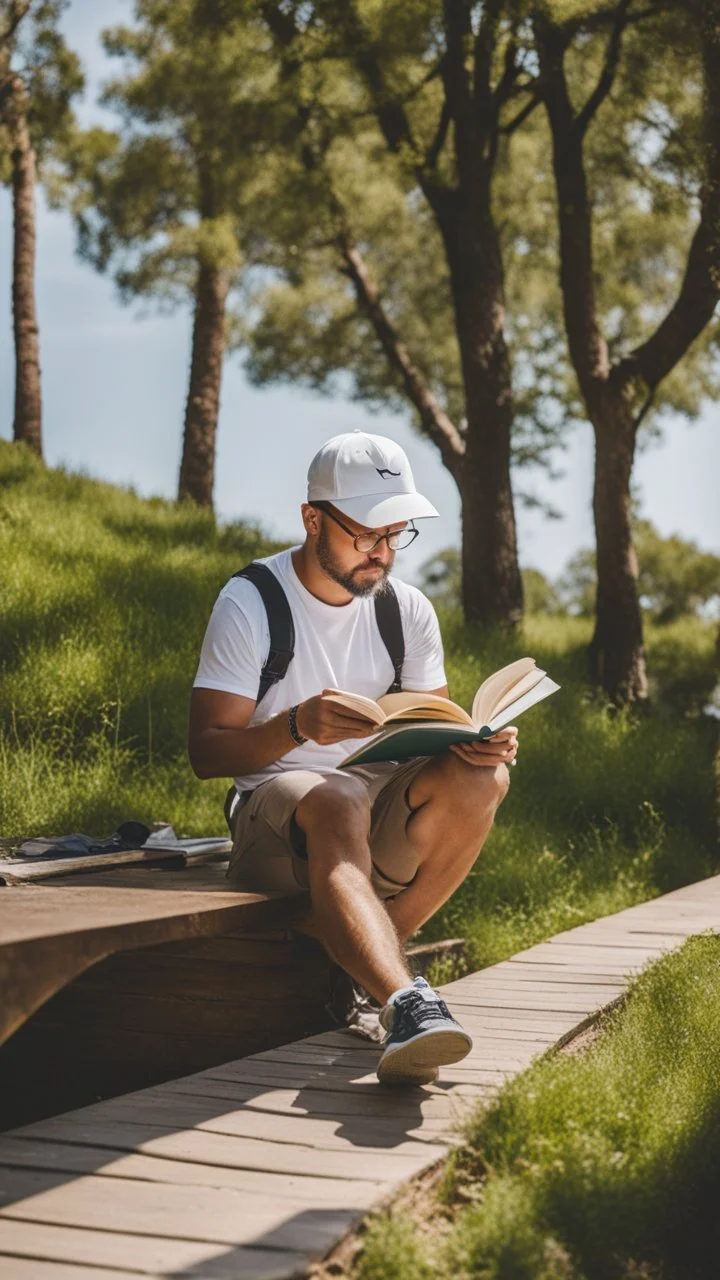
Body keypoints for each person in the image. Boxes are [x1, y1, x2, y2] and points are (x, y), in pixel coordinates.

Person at [188, 430, 518, 1084]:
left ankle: (361, 963)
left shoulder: (408, 611)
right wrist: (297, 725)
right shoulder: (252, 602)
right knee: (335, 795)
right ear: (312, 519)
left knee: (484, 778)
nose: (384, 552)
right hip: (275, 827)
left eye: (396, 534)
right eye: (366, 533)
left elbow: (436, 728)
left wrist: (475, 743)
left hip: (372, 817)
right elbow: (207, 751)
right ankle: (404, 999)